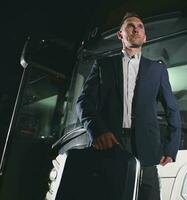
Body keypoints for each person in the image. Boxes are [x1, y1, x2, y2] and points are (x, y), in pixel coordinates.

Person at [76, 12, 181, 200]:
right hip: (110, 144)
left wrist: (171, 147)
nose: (136, 29)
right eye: (131, 26)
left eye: (140, 26)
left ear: (145, 36)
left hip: (147, 147)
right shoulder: (103, 65)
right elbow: (84, 102)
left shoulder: (157, 69)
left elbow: (172, 108)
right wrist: (97, 131)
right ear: (120, 35)